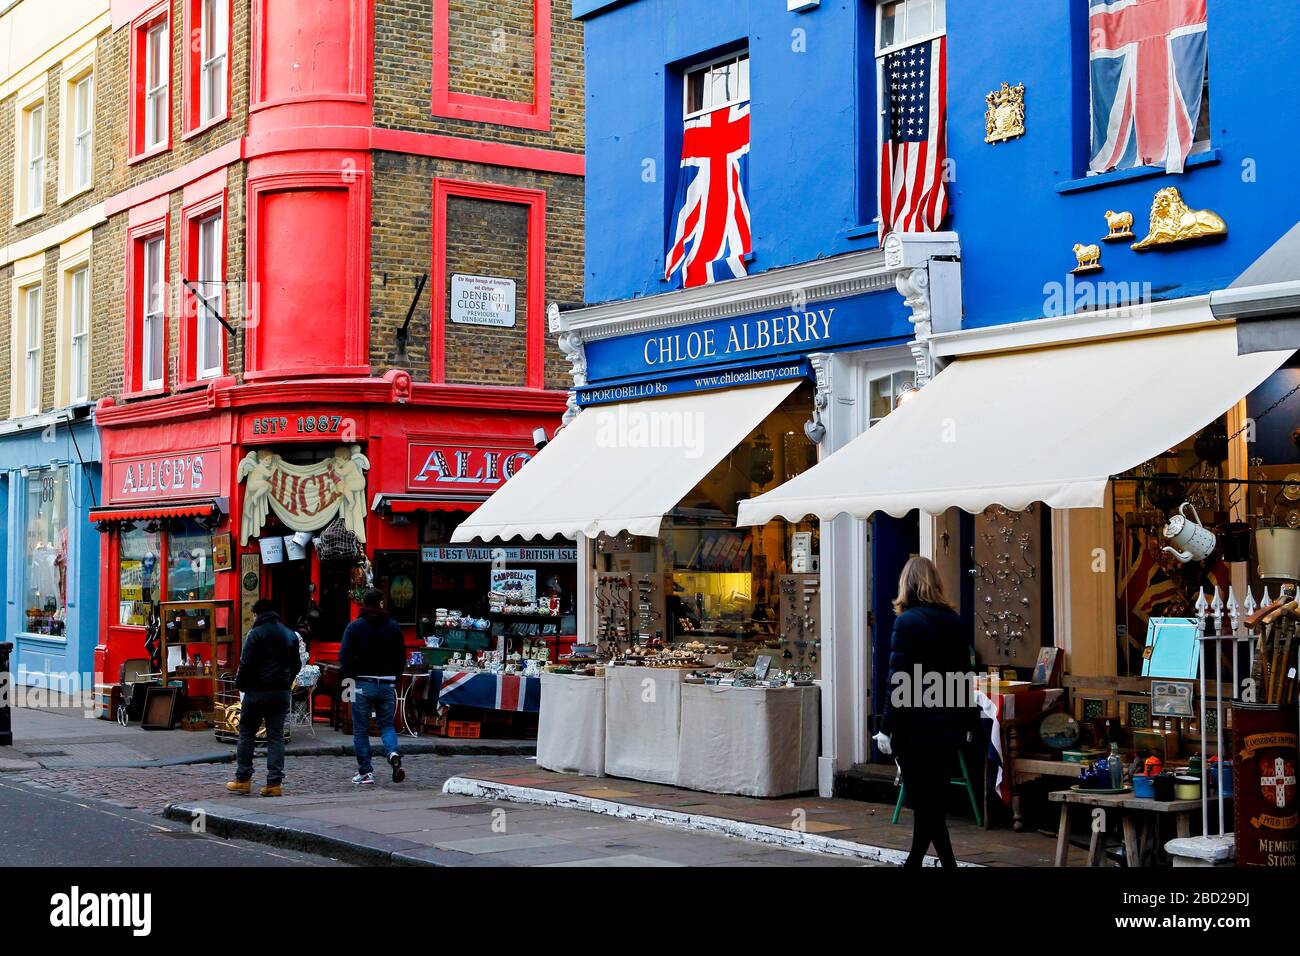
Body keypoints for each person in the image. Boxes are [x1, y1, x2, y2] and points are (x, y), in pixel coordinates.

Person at [878, 556, 978, 868]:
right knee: (930, 803)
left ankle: (942, 863)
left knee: (925, 804)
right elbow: (965, 676)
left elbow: (900, 681)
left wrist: (886, 727)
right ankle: (920, 862)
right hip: (947, 726)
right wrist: (966, 721)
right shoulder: (954, 621)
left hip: (916, 727)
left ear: (905, 585)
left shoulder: (906, 623)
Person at [227, 599, 301, 797]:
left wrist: (241, 685)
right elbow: (297, 665)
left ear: (257, 614)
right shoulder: (289, 634)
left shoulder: (255, 634)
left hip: (257, 692)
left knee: (247, 734)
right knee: (276, 737)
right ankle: (274, 784)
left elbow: (246, 664)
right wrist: (287, 682)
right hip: (280, 692)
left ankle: (243, 779)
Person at [340, 588, 407, 785]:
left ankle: (366, 772)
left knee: (360, 729)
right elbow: (401, 657)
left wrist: (348, 681)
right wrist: (394, 677)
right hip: (386, 683)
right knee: (386, 725)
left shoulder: (354, 627)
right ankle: (393, 753)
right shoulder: (394, 627)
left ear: (363, 604)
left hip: (362, 682)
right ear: (380, 603)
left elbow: (344, 657)